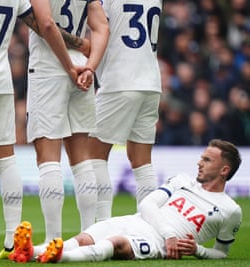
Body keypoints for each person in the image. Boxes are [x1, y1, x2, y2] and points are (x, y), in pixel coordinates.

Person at [0, 0, 93, 261]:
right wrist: (80, 44)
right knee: (6, 161)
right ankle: (12, 241)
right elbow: (43, 27)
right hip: (1, 80)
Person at [10, 139, 243, 263]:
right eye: (201, 157)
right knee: (84, 238)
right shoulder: (182, 180)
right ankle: (30, 252)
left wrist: (198, 250)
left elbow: (222, 253)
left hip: (157, 241)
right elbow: (147, 205)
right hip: (138, 220)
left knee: (114, 244)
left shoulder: (230, 210)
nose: (199, 163)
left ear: (224, 169)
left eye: (207, 160)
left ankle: (57, 257)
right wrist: (171, 233)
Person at [26, 0, 109, 247]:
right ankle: (88, 234)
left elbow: (47, 24)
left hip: (50, 66)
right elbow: (102, 27)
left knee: (48, 157)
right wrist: (90, 68)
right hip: (82, 66)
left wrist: (68, 66)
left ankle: (53, 238)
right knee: (82, 159)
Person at [89, 0, 163, 221]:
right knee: (142, 162)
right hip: (150, 82)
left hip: (120, 80)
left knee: (93, 153)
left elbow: (100, 33)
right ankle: (150, 225)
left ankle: (101, 224)